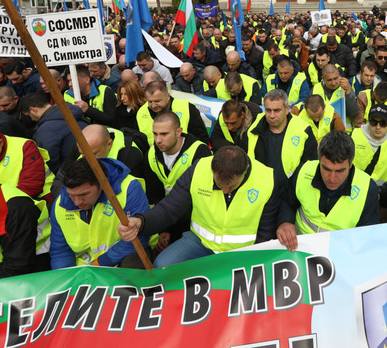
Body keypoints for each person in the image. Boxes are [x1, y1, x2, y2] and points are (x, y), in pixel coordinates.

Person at [117, 145, 280, 268]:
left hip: (242, 251)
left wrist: (254, 264)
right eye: (219, 183)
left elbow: (265, 233)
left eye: (231, 186)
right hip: (199, 243)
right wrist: (140, 222)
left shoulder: (267, 179)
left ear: (246, 169)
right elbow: (168, 208)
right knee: (163, 265)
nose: (224, 190)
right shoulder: (199, 169)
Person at [276, 130, 380, 251]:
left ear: (350, 165)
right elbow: (287, 202)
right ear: (319, 161)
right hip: (298, 249)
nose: (332, 178)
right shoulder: (303, 171)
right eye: (326, 169)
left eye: (340, 171)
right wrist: (285, 222)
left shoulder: (367, 189)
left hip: (341, 254)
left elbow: (366, 238)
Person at [49, 156, 150, 269]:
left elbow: (138, 239)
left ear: (103, 183)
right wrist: (66, 279)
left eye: (84, 194)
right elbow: (60, 251)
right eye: (71, 195)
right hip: (83, 270)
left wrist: (100, 264)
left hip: (120, 259)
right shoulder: (59, 204)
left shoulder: (128, 188)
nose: (77, 202)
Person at [245, 89, 319, 182]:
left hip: (291, 190)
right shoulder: (253, 127)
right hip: (260, 188)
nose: (272, 115)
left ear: (287, 109)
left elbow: (310, 166)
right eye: (268, 110)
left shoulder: (303, 130)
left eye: (276, 110)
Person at [145, 111, 212, 204]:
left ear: (178, 132)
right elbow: (153, 194)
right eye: (155, 134)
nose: (158, 140)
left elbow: (203, 194)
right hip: (164, 212)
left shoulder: (199, 152)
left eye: (164, 134)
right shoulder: (151, 153)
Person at [351, 104, 387, 207]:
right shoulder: (354, 135)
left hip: (386, 196)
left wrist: (379, 190)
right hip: (355, 193)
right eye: (373, 122)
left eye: (382, 123)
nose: (378, 127)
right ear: (368, 121)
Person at [21, 91, 87, 173]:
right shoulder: (70, 111)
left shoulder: (46, 130)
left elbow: (50, 160)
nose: (31, 119)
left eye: (29, 115)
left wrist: (59, 178)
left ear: (33, 110)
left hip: (73, 172)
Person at [0, 128, 52, 203]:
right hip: (6, 202)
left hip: (39, 200)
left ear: (0, 143)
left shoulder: (24, 146)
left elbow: (31, 186)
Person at [136, 81, 208, 143]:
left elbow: (201, 138)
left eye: (157, 101)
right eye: (150, 101)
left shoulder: (187, 108)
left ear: (168, 96)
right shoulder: (141, 113)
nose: (153, 105)